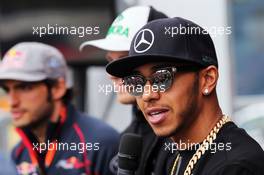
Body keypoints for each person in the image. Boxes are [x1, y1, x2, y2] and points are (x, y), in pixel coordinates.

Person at [106, 17, 264, 175]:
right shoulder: (176, 156)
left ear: (207, 79)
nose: (147, 95)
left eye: (162, 78)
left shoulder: (237, 167)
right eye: (137, 82)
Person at [80, 6, 176, 175]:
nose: (112, 74)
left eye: (124, 61)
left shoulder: (183, 137)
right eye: (110, 61)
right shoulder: (127, 137)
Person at [0, 42, 119, 175]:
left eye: (25, 87)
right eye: (6, 89)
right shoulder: (19, 152)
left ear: (57, 88)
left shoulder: (101, 143)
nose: (12, 101)